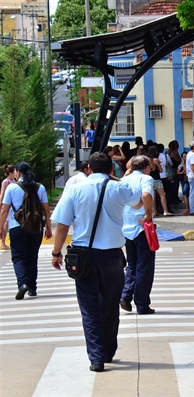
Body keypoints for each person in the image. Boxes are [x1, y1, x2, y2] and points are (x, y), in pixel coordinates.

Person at [50, 152, 143, 372]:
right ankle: (109, 350)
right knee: (110, 305)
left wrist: (56, 253)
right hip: (112, 256)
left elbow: (62, 225)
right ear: (111, 169)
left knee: (89, 307)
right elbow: (139, 203)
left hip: (84, 258)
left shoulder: (74, 189)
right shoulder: (118, 188)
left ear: (89, 169)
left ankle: (96, 357)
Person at [0, 162, 52, 299]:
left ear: (18, 172)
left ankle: (22, 284)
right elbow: (46, 209)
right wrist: (48, 227)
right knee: (32, 257)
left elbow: (4, 210)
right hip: (36, 227)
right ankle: (33, 288)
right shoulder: (40, 187)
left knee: (18, 257)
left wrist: (0, 228)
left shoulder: (12, 188)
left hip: (17, 227)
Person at [119, 155, 156, 315]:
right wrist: (148, 214)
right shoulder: (145, 179)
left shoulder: (123, 180)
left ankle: (126, 295)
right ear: (146, 167)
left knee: (132, 265)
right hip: (141, 228)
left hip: (126, 228)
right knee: (144, 267)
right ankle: (142, 303)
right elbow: (146, 195)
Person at [148, 146, 173, 216]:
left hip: (150, 180)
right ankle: (165, 210)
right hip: (157, 179)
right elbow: (161, 170)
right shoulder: (155, 160)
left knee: (153, 197)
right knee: (162, 195)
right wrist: (158, 164)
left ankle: (154, 211)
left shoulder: (147, 160)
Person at [1, 165, 17, 249]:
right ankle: (3, 242)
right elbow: (2, 193)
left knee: (8, 224)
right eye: (14, 171)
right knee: (5, 224)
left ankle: (7, 241)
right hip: (6, 206)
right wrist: (1, 204)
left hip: (12, 206)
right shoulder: (6, 182)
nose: (15, 173)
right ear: (10, 173)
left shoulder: (14, 181)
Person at [167, 140, 182, 205]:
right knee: (175, 185)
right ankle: (174, 198)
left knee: (174, 185)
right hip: (174, 170)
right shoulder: (173, 153)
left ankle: (174, 198)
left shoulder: (168, 153)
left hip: (173, 169)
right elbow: (179, 160)